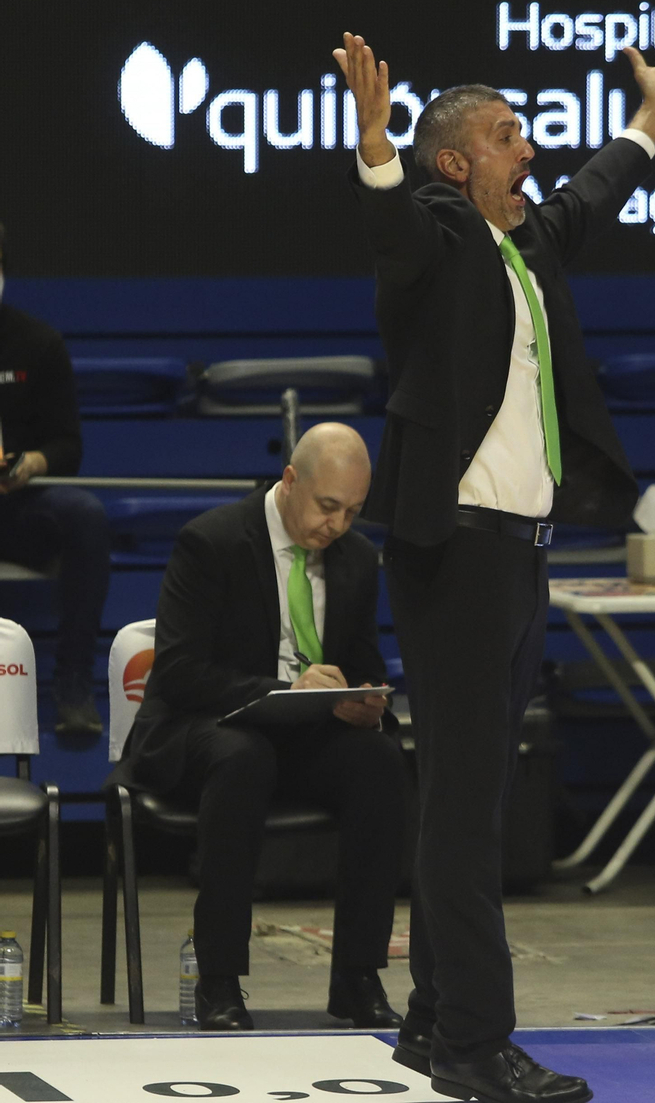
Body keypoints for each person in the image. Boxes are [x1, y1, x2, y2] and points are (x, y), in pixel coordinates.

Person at [334, 32, 655, 1103]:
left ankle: (425, 1023)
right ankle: (474, 1045)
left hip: (516, 558)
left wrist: (650, 119)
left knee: (474, 795)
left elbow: (591, 194)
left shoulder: (525, 243)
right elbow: (392, 230)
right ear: (455, 163)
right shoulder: (442, 234)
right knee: (465, 812)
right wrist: (374, 143)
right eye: (508, 135)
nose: (529, 146)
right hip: (455, 551)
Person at [117, 423, 404, 1031]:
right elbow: (180, 674)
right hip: (203, 729)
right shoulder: (212, 541)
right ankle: (218, 980)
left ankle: (357, 976)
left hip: (301, 737)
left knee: (379, 761)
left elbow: (362, 660)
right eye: (328, 507)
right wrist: (283, 692)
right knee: (243, 757)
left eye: (353, 511)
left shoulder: (355, 558)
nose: (339, 525)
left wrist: (363, 699)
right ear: (290, 481)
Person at [0, 221, 111, 738]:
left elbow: (69, 446)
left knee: (85, 514)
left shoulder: (38, 342)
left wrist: (29, 464)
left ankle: (73, 683)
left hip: (20, 508)